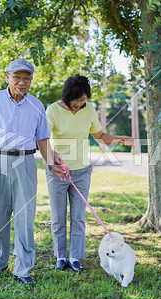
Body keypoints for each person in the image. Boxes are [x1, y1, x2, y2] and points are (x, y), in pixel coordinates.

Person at [0, 59, 66, 285]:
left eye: (27, 78)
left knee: (25, 219)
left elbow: (42, 139)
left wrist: (52, 161)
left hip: (24, 163)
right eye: (17, 77)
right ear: (7, 77)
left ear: (31, 80)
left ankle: (23, 269)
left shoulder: (37, 104)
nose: (22, 83)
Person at [45, 74, 134, 271]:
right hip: (57, 172)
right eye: (75, 100)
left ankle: (75, 257)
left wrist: (120, 139)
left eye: (83, 100)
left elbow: (100, 136)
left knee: (78, 217)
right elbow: (42, 139)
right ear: (67, 97)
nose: (79, 104)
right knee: (58, 217)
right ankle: (60, 257)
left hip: (82, 171)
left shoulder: (89, 110)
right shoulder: (52, 110)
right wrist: (52, 160)